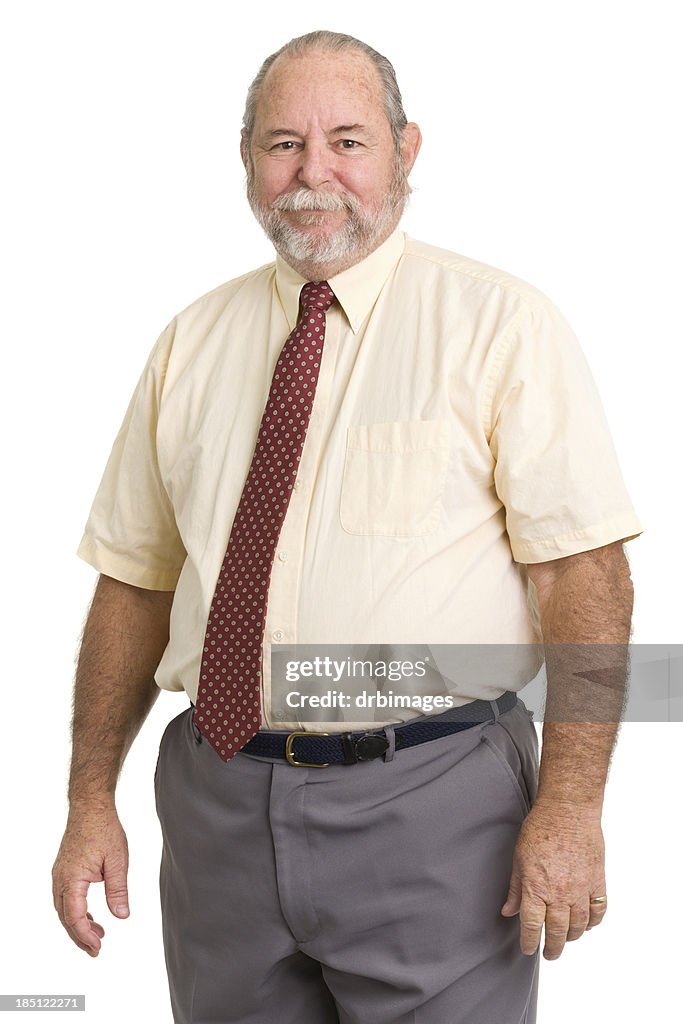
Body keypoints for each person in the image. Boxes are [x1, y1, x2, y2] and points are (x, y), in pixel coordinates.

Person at [52, 29, 642, 1024]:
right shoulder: (189, 343)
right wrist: (85, 798)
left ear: (406, 153)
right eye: (282, 142)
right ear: (246, 161)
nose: (311, 172)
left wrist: (573, 807)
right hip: (216, 807)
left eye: (347, 142)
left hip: (434, 803)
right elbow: (135, 584)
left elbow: (584, 578)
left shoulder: (498, 327)